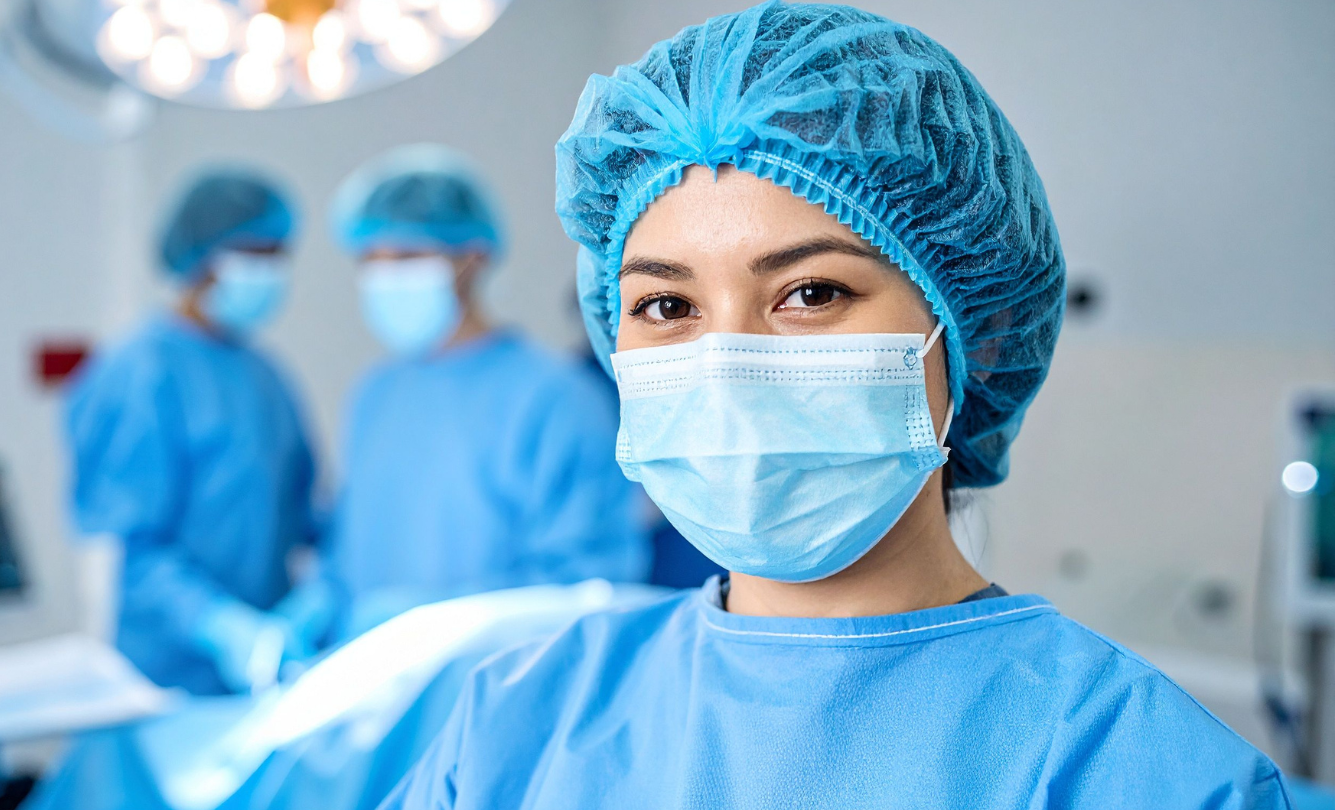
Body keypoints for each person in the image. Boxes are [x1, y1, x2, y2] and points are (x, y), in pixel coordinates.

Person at [379, 4, 1291, 808]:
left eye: (810, 293)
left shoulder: (1133, 770)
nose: (725, 364)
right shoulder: (515, 725)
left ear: (968, 324)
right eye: (667, 306)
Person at [313, 144, 648, 642]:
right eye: (370, 259)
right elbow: (353, 554)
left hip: (496, 694)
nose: (384, 276)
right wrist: (319, 604)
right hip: (371, 693)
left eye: (406, 256)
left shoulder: (556, 399)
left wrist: (429, 625)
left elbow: (586, 589)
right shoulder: (375, 395)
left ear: (471, 257)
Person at [65, 169, 320, 696]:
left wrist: (316, 602)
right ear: (202, 258)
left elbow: (304, 513)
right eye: (254, 252)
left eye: (279, 253)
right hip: (161, 681)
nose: (270, 270)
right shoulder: (140, 373)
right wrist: (220, 627)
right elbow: (129, 551)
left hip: (265, 676)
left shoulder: (264, 375)